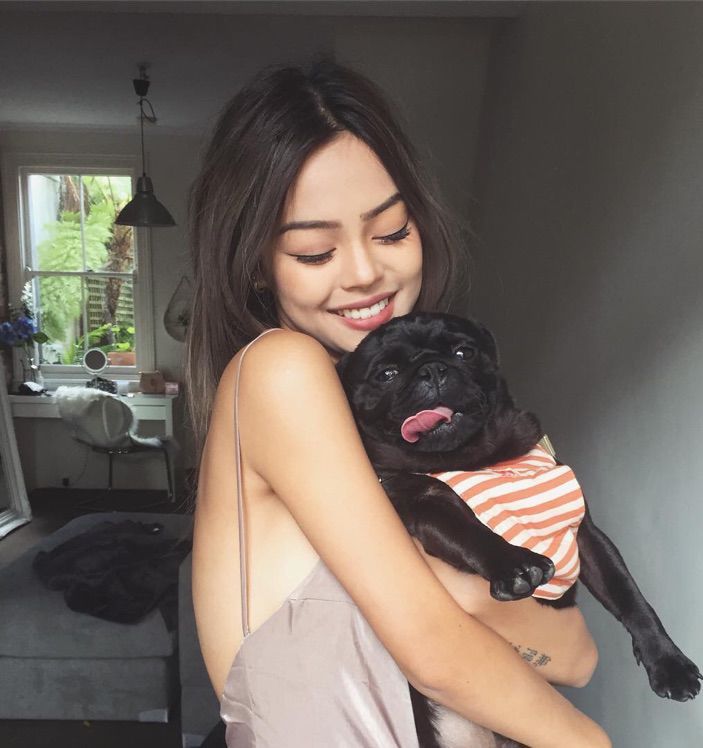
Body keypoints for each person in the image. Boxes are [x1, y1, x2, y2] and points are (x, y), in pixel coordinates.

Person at [187, 58, 611, 748]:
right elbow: (437, 649)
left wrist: (474, 598)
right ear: (256, 264)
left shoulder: (388, 418)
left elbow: (578, 655)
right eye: (315, 251)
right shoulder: (279, 370)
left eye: (391, 232)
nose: (365, 273)